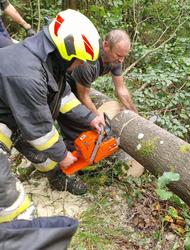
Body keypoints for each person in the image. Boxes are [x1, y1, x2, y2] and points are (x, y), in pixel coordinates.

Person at [0, 9, 105, 223]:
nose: (82, 65)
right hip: (10, 119)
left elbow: (63, 97)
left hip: (11, 116)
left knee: (47, 155)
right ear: (66, 51)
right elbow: (40, 130)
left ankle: (57, 178)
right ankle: (21, 228)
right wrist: (65, 156)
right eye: (80, 59)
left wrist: (90, 118)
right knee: (7, 195)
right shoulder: (27, 74)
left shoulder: (46, 61)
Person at [68, 29, 137, 114]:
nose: (121, 60)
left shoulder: (115, 60)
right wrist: (99, 119)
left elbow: (121, 89)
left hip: (81, 86)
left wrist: (133, 112)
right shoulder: (89, 61)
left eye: (124, 56)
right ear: (106, 45)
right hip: (63, 84)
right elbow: (83, 96)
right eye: (119, 55)